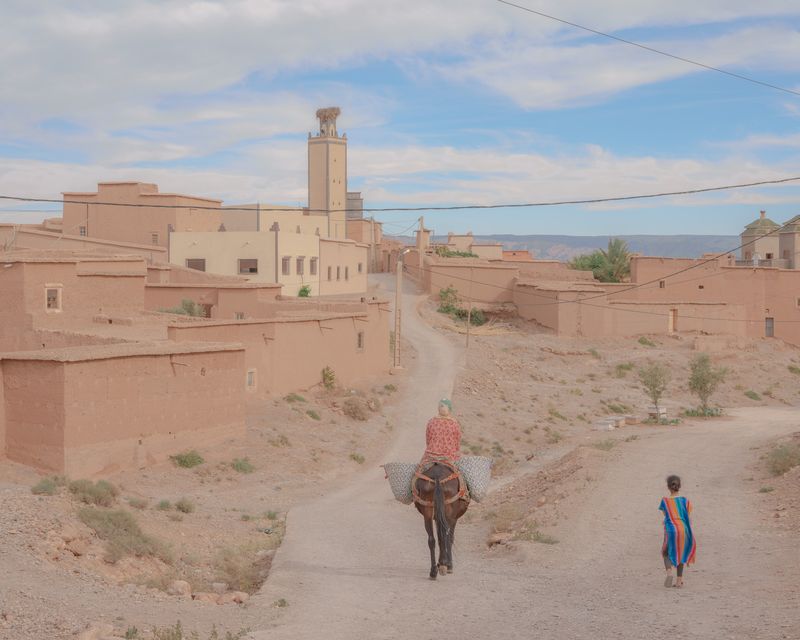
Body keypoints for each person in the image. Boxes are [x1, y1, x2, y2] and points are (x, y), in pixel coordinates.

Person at [659, 474, 696, 588]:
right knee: (681, 552)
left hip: (670, 529)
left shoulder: (664, 501)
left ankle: (669, 573)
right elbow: (688, 516)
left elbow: (666, 515)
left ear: (668, 487)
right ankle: (679, 581)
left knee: (665, 552)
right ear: (679, 486)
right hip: (683, 529)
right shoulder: (686, 501)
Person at [421, 399, 462, 464]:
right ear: (450, 409)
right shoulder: (455, 424)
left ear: (438, 408)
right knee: (460, 470)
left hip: (431, 455)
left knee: (418, 470)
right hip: (449, 456)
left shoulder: (431, 422)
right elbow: (457, 444)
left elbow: (428, 440)